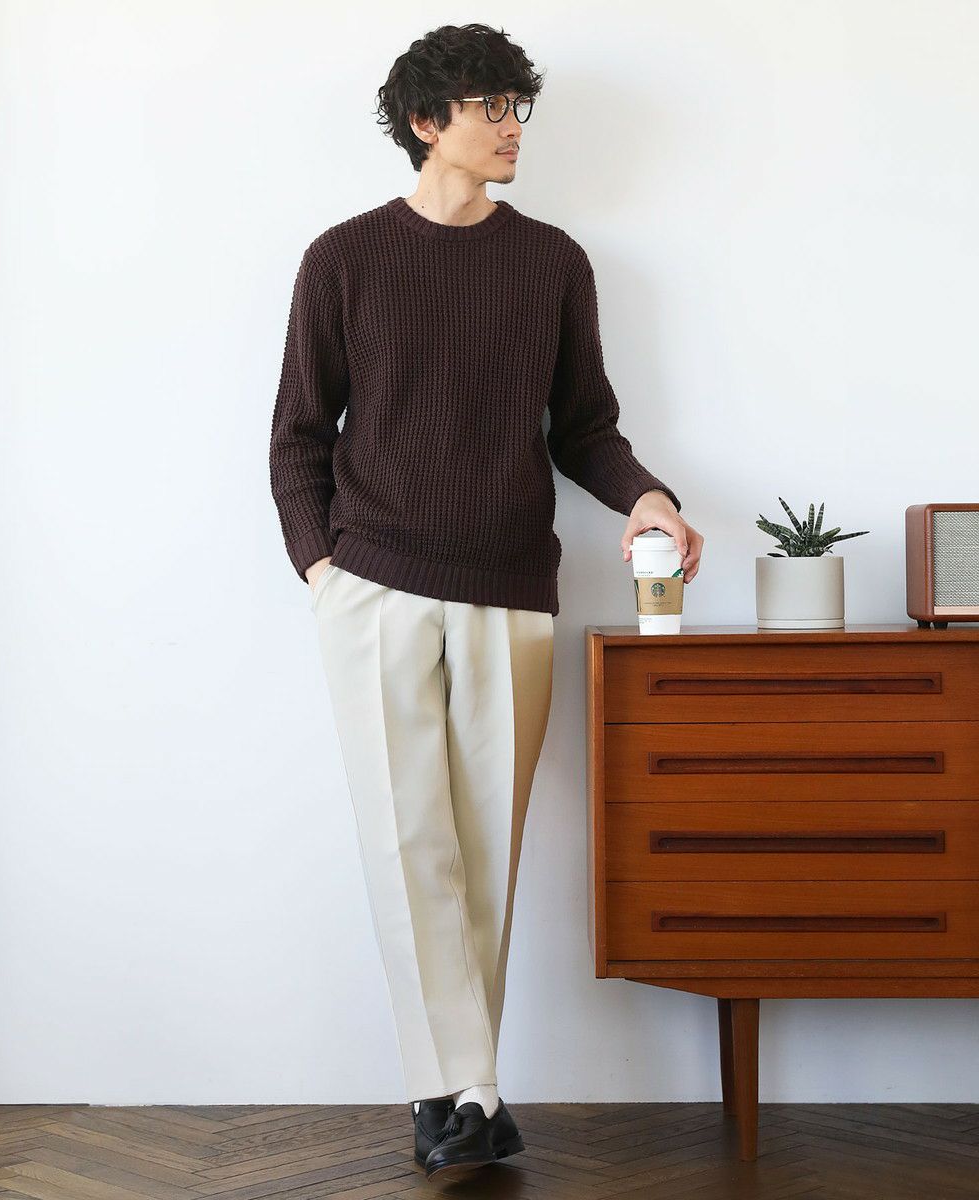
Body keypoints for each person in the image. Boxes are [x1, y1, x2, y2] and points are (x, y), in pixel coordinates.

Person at [269, 21, 702, 1183]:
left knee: (484, 850)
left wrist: (648, 496)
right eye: (490, 108)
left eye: (520, 107)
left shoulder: (551, 262)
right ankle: (457, 1094)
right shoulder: (344, 258)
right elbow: (298, 435)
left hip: (511, 587)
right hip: (374, 588)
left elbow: (585, 428)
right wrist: (323, 570)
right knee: (407, 840)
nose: (513, 128)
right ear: (426, 122)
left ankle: (461, 1092)